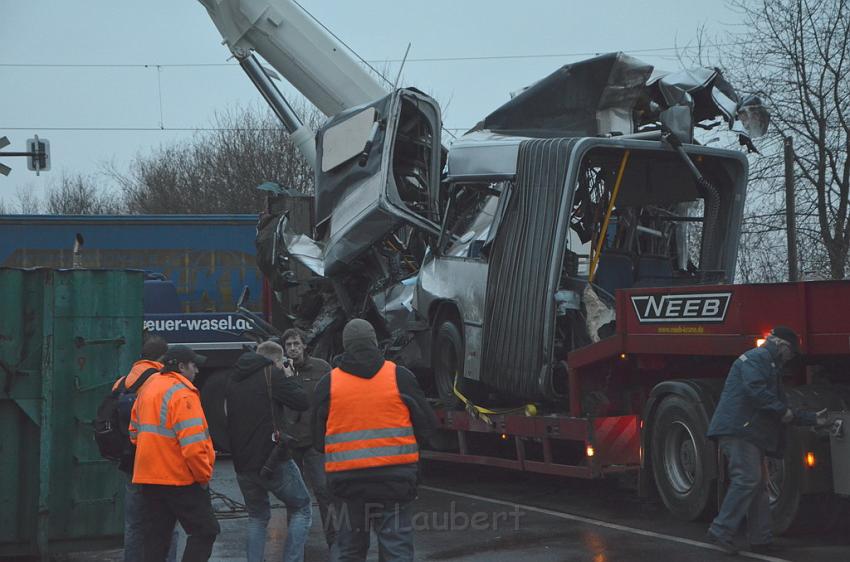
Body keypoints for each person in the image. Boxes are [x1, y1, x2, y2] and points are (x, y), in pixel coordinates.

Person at [312, 318, 437, 562]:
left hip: (347, 485)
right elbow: (428, 427)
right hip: (396, 482)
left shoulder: (328, 383)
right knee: (396, 550)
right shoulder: (400, 376)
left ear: (345, 346)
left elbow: (317, 441)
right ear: (374, 343)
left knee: (349, 550)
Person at [706, 326, 824, 555]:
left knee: (756, 484)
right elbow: (757, 392)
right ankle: (720, 531)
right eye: (790, 351)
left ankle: (761, 538)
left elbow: (776, 404)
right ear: (781, 344)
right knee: (748, 479)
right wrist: (782, 412)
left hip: (746, 431)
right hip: (741, 430)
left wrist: (811, 418)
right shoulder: (758, 358)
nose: (791, 357)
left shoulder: (764, 363)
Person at [130, 345, 219, 562]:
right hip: (179, 478)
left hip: (149, 477)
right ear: (181, 366)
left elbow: (134, 433)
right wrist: (203, 476)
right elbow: (194, 446)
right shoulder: (183, 394)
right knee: (205, 531)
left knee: (156, 538)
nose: (197, 370)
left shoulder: (148, 388)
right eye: (193, 365)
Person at [226, 340, 312, 562]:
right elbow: (302, 401)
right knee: (302, 507)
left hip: (243, 463)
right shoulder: (272, 375)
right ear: (276, 360)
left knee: (257, 516)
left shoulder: (234, 378)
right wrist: (289, 377)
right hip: (273, 460)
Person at [113, 334, 178, 562]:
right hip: (156, 464)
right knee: (168, 522)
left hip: (129, 462)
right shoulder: (159, 382)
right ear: (162, 357)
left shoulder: (122, 382)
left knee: (133, 525)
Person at [280, 328, 336, 549]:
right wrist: (288, 377)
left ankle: (334, 541)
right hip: (291, 443)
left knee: (324, 490)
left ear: (304, 346)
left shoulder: (322, 368)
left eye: (296, 344)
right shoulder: (281, 371)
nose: (293, 348)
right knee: (293, 497)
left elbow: (333, 399)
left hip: (315, 442)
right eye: (289, 345)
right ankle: (296, 545)